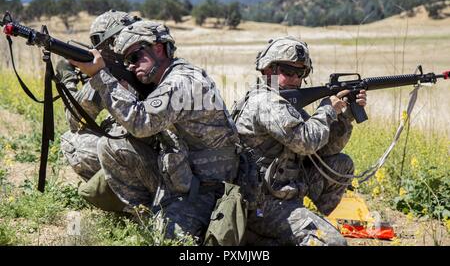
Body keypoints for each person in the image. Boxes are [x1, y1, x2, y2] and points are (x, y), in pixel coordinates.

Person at [70, 20, 240, 241]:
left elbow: (141, 122)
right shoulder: (163, 81)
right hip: (181, 174)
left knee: (169, 241)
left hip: (208, 187)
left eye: (134, 58)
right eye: (126, 61)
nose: (131, 66)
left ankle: (164, 217)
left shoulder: (182, 81)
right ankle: (146, 213)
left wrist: (101, 77)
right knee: (112, 146)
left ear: (158, 48)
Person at [232, 36, 367, 246]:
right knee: (333, 244)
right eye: (288, 71)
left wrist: (345, 114)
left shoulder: (284, 104)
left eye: (301, 73)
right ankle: (262, 234)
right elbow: (307, 142)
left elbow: (326, 150)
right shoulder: (266, 102)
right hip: (261, 204)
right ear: (268, 70)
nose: (295, 78)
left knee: (341, 163)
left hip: (282, 195)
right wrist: (327, 110)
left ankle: (300, 224)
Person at [56, 10, 140, 211]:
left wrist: (69, 81)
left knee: (73, 142)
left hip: (144, 159)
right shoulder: (154, 61)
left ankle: (128, 204)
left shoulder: (112, 73)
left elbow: (75, 120)